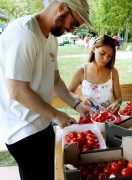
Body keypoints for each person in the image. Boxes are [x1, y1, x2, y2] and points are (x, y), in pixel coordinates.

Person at [0, 0, 93, 179]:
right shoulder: (24, 33)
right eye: (73, 24)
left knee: (54, 173)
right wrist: (57, 115)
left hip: (41, 123)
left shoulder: (51, 38)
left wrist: (76, 105)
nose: (73, 30)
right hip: (21, 129)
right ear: (62, 7)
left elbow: (56, 80)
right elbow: (17, 91)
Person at [68, 34, 122, 113]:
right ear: (94, 49)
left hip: (107, 118)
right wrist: (80, 97)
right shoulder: (82, 71)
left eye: (109, 56)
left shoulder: (113, 72)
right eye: (102, 54)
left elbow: (119, 98)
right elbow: (68, 92)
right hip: (87, 118)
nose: (105, 59)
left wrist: (116, 103)